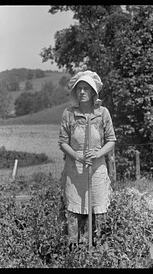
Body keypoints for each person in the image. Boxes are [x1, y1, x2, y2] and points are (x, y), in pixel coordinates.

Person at [58, 70, 116, 246]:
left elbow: (111, 140)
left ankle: (99, 251)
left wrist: (98, 153)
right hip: (74, 171)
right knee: (74, 212)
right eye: (79, 88)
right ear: (75, 92)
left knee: (98, 210)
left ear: (93, 92)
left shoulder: (102, 113)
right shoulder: (69, 114)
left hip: (96, 170)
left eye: (86, 88)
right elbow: (62, 142)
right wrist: (77, 155)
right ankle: (74, 253)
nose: (82, 92)